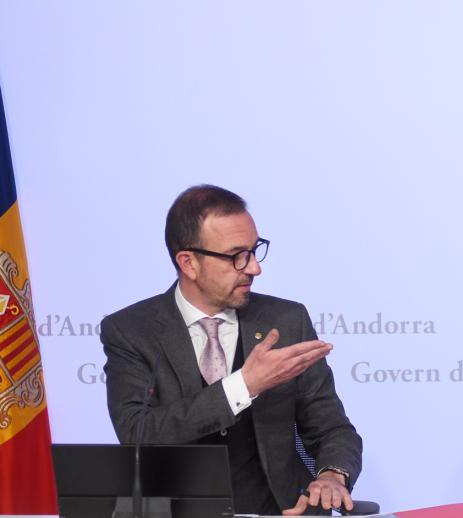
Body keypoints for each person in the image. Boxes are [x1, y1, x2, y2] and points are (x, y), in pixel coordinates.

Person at [101, 185, 362, 515]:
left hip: (282, 512)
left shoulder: (286, 321)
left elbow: (332, 429)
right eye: (237, 256)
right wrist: (244, 386)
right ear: (189, 263)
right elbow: (138, 433)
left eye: (255, 251)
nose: (254, 268)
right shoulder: (132, 331)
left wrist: (332, 475)